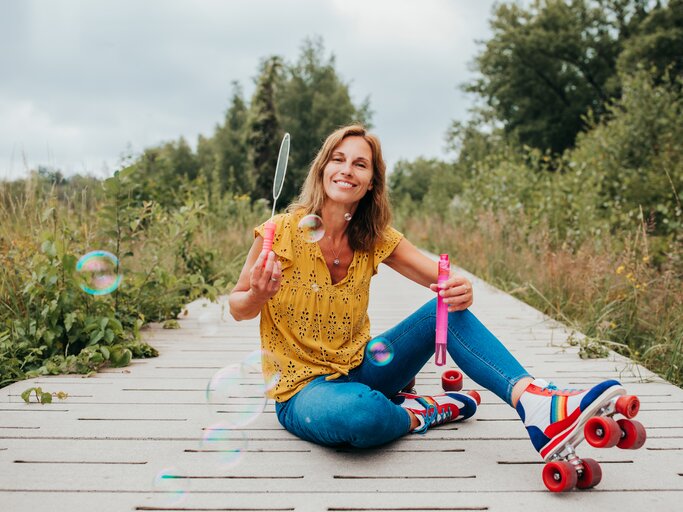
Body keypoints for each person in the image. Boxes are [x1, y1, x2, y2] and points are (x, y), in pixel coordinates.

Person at [228, 124, 630, 457]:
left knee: (447, 311)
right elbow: (237, 307)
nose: (347, 170)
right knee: (362, 417)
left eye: (360, 164)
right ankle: (427, 411)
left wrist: (459, 288)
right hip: (303, 391)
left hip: (363, 367)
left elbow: (442, 280)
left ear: (371, 183)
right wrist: (258, 296)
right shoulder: (278, 233)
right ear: (322, 169)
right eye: (338, 159)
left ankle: (536, 403)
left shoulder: (373, 236)